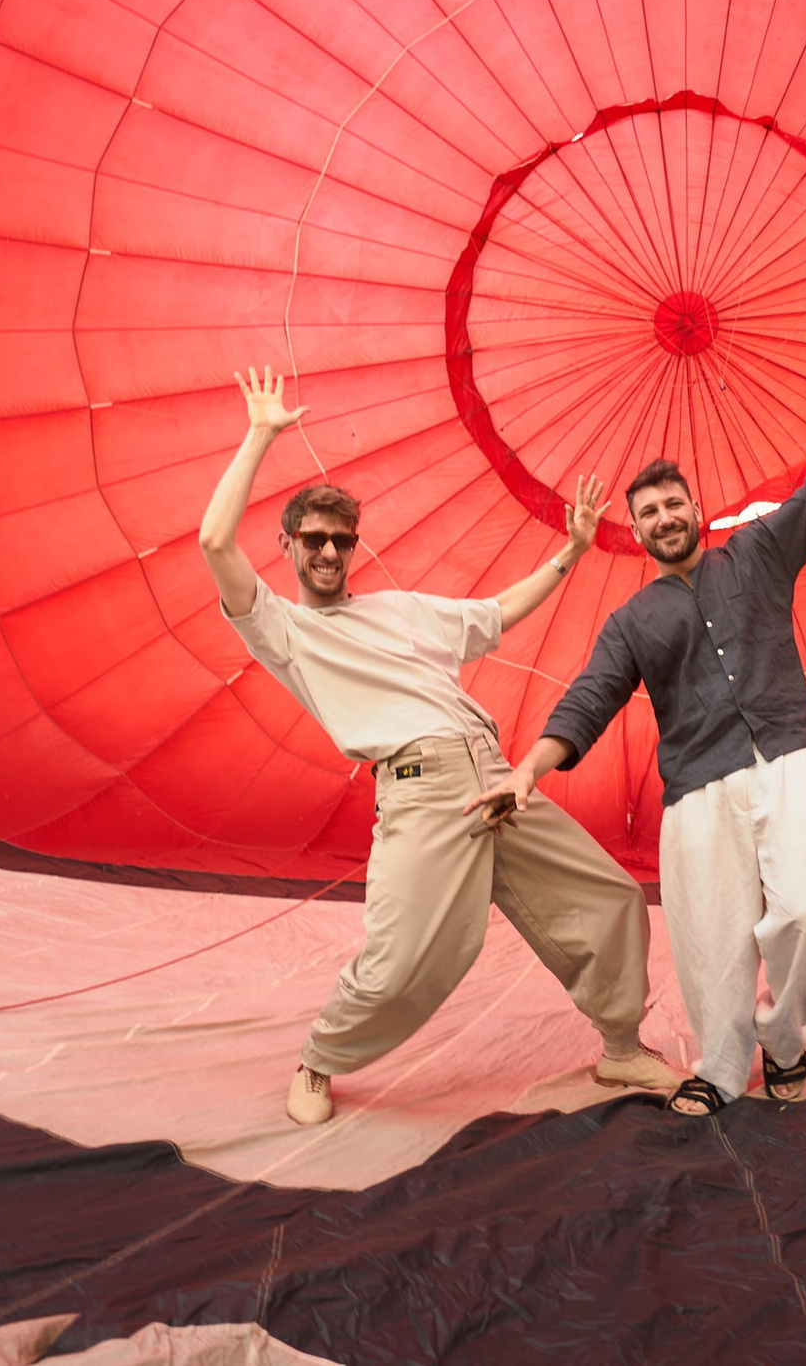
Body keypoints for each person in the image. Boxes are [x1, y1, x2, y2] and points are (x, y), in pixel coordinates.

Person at [199, 367, 683, 1126]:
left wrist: (571, 552)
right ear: (289, 545)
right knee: (403, 962)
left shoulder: (399, 609)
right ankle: (320, 1057)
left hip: (494, 776)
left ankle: (620, 1045)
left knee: (610, 898)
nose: (329, 551)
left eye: (341, 539)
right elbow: (213, 541)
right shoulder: (282, 630)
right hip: (423, 789)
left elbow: (494, 614)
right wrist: (261, 434)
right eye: (314, 540)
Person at [480, 346, 806, 1117]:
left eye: (674, 504)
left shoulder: (757, 553)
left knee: (799, 914)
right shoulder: (631, 622)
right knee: (710, 942)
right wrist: (530, 767)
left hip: (788, 758)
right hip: (697, 786)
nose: (664, 518)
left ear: (696, 509)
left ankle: (784, 1039)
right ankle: (724, 1068)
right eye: (649, 511)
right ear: (634, 529)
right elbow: (589, 697)